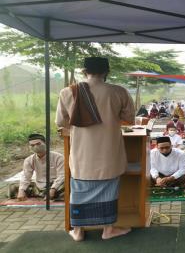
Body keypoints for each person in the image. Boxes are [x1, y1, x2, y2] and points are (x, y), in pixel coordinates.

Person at [56, 57, 135, 241]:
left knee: (79, 190)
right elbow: (129, 118)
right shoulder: (119, 92)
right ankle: (108, 230)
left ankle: (78, 231)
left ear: (84, 71)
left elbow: (61, 122)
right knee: (109, 189)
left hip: (82, 154)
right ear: (107, 72)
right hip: (109, 153)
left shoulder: (68, 92)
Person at [7, 134, 65, 201]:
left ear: (46, 143)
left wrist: (53, 189)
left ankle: (49, 194)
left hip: (55, 184)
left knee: (67, 185)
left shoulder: (58, 157)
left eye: (38, 144)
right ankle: (44, 194)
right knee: (13, 187)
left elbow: (62, 175)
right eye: (32, 145)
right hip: (39, 185)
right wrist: (21, 190)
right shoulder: (29, 160)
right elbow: (26, 176)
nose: (35, 147)